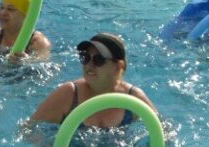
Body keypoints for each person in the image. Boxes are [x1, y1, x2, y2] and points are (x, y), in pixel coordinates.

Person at [27, 33, 159, 132]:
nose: (89, 65)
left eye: (98, 59)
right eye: (85, 57)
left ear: (118, 67)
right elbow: (29, 130)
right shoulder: (69, 94)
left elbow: (162, 132)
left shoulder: (133, 98)